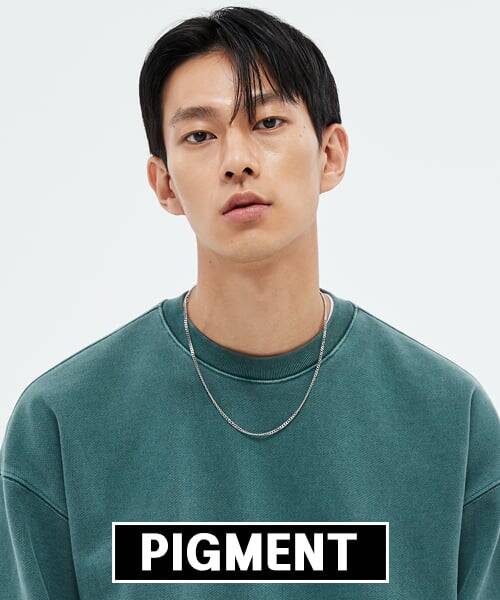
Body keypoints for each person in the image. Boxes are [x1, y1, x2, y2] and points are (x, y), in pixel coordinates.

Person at [1, 6, 498, 599]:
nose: (237, 160)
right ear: (164, 183)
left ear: (331, 154)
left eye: (267, 122)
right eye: (200, 135)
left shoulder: (449, 418)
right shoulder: (63, 423)